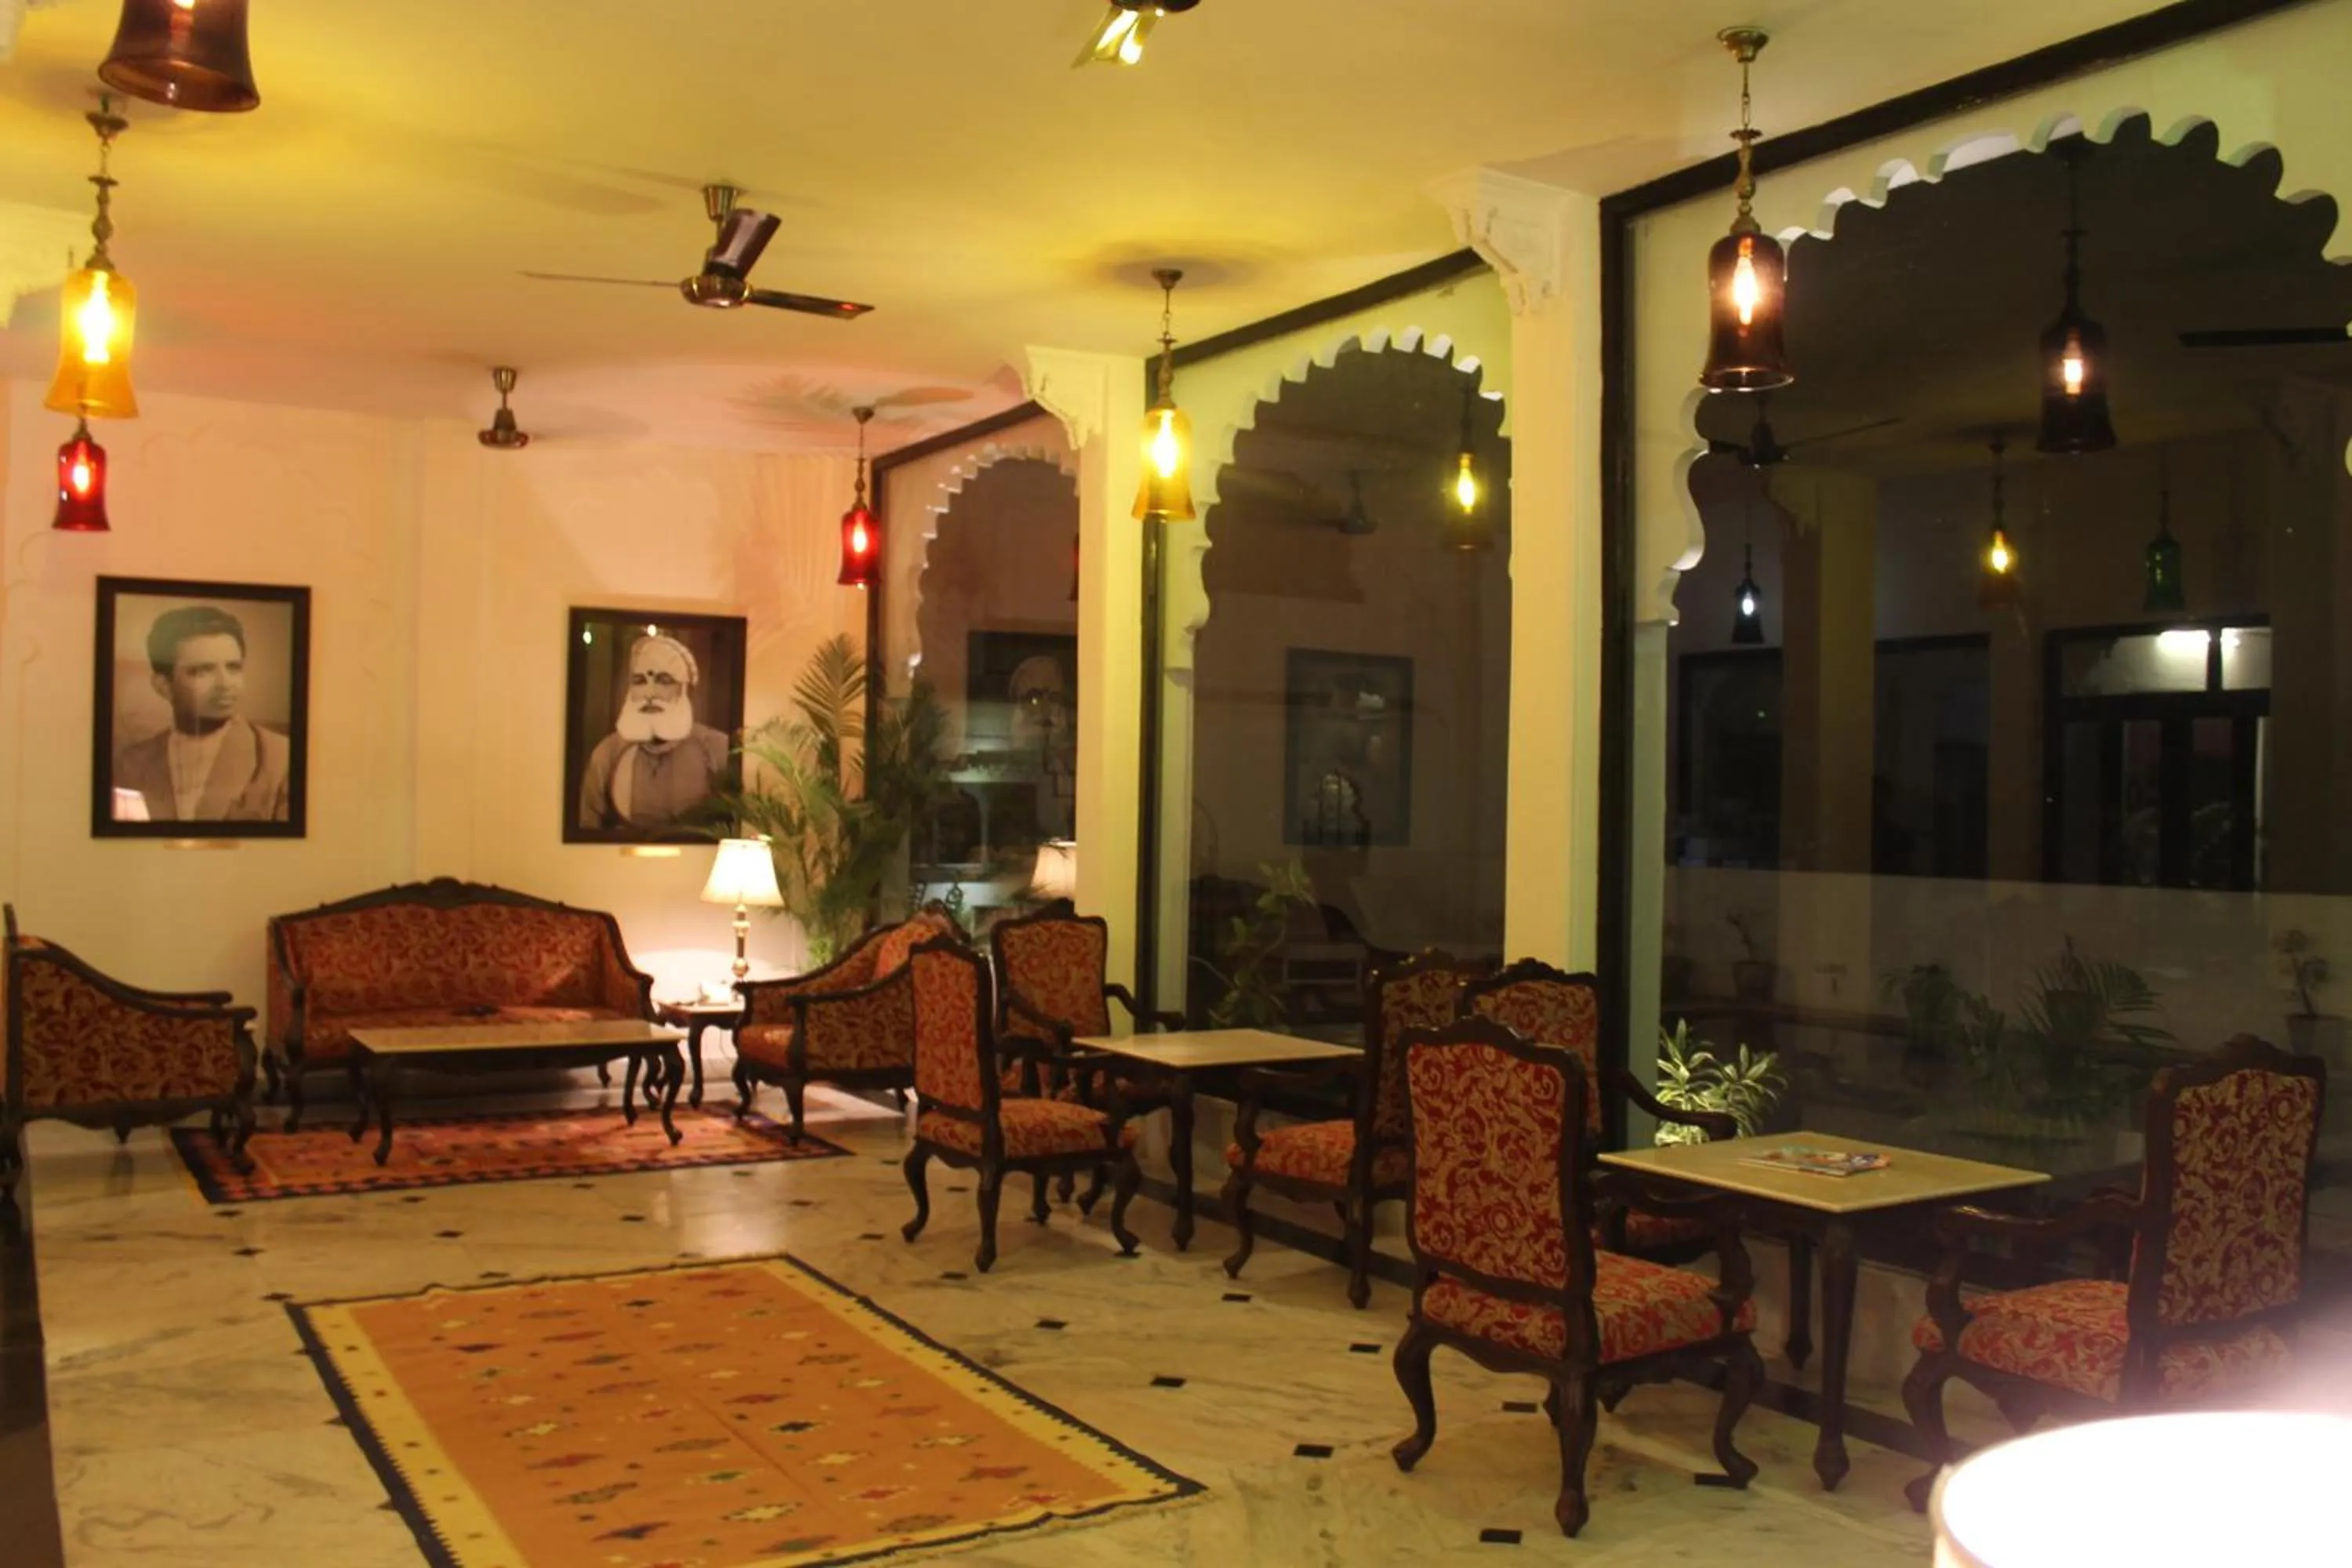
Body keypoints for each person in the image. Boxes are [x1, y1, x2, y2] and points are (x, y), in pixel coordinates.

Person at [112, 604, 292, 822]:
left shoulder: (280, 758)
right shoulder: (131, 764)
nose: (225, 685)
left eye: (234, 668)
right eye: (202, 671)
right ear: (163, 686)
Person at [577, 632, 731, 833]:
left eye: (664, 681)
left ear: (685, 689)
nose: (649, 694)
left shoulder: (716, 749)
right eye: (640, 681)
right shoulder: (608, 753)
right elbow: (588, 830)